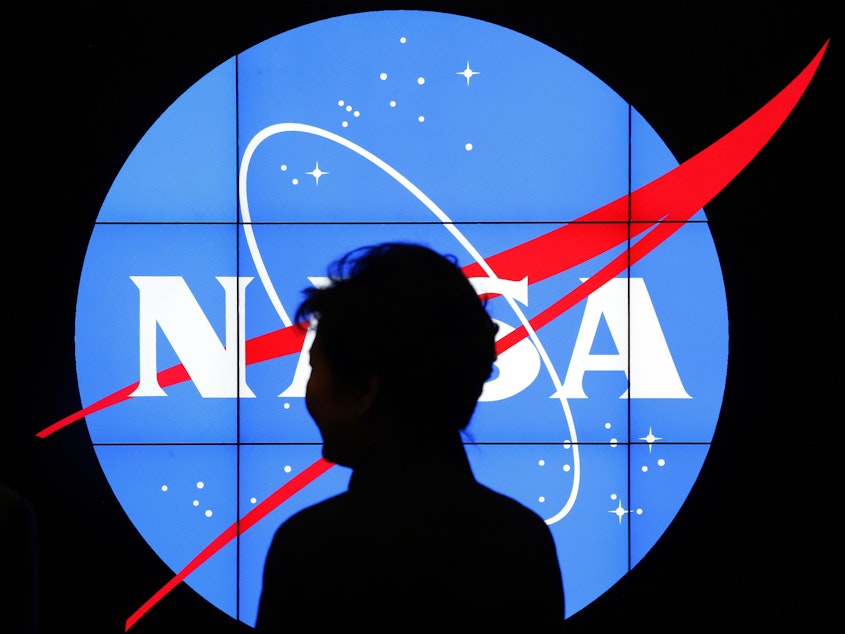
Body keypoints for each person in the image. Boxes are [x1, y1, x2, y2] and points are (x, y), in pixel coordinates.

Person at [255, 242, 565, 631]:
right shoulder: (523, 540)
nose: (309, 390)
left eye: (315, 368)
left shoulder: (310, 545)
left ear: (365, 389)